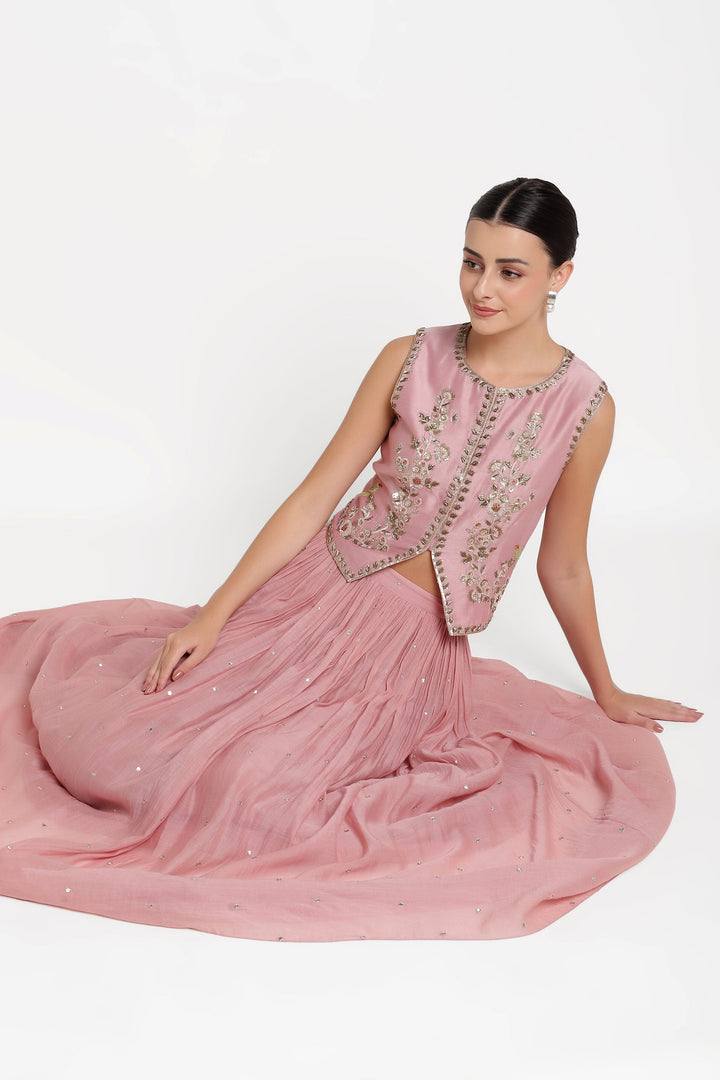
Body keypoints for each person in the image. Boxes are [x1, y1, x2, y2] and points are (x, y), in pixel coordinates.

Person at [0, 178, 701, 942]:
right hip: (315, 596)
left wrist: (606, 688)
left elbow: (562, 564)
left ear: (560, 275)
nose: (482, 288)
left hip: (411, 651)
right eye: (472, 262)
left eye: (510, 271)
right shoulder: (411, 357)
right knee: (148, 744)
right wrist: (216, 614)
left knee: (256, 792)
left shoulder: (585, 408)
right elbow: (312, 501)